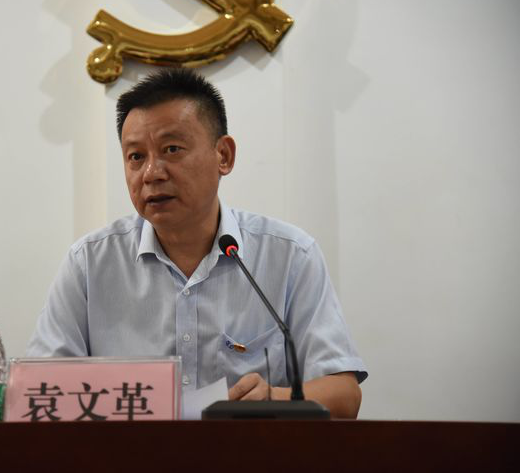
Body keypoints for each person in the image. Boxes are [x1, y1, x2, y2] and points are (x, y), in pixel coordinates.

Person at [27, 68, 367, 418]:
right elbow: (37, 394)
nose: (152, 173)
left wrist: (275, 399)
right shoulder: (89, 264)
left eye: (172, 149)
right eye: (136, 156)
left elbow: (344, 396)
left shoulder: (290, 256)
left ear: (224, 156)